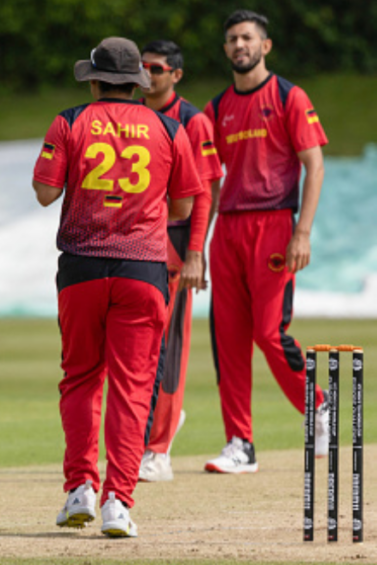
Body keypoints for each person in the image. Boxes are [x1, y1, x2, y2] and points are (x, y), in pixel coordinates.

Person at [32, 37, 203, 538]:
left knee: (81, 378)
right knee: (132, 388)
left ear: (93, 80)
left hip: (82, 266)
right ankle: (118, 503)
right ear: (138, 83)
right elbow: (184, 208)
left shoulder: (69, 121)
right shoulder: (170, 127)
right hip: (143, 269)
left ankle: (80, 487)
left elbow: (45, 193)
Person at [203, 9, 329, 475]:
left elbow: (314, 165)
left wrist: (302, 231)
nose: (240, 45)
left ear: (265, 46)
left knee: (268, 333)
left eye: (248, 38)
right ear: (225, 49)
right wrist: (198, 244)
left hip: (275, 226)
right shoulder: (218, 108)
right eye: (233, 38)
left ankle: (319, 407)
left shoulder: (288, 97)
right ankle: (240, 443)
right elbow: (209, 180)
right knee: (229, 339)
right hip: (229, 230)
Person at [136, 40, 224, 482]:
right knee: (138, 349)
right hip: (134, 248)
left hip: (173, 250)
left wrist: (195, 254)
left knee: (168, 351)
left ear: (176, 75)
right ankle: (148, 434)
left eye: (155, 68)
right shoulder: (130, 114)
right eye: (141, 67)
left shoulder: (193, 121)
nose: (146, 74)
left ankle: (158, 451)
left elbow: (204, 191)